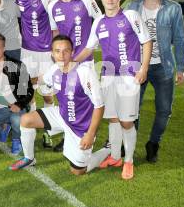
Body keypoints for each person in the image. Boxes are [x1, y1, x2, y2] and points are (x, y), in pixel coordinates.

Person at [75, 0, 152, 180]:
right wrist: (70, 62)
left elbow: (146, 41)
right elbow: (89, 48)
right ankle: (116, 156)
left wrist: (143, 68)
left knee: (127, 122)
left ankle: (129, 161)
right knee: (113, 118)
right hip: (108, 77)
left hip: (129, 77)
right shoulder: (99, 22)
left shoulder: (130, 15)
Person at [9, 35, 109, 174]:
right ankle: (29, 158)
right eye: (57, 51)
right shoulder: (55, 69)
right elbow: (41, 79)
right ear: (52, 53)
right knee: (26, 120)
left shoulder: (84, 72)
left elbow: (99, 106)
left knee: (78, 171)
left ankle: (108, 148)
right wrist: (21, 81)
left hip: (80, 126)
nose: (61, 55)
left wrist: (90, 134)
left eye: (66, 51)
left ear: (72, 52)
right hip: (61, 115)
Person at [127, 0, 184, 163]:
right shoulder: (132, 7)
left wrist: (181, 67)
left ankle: (153, 143)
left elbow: (179, 38)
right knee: (132, 109)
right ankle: (129, 144)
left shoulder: (173, 8)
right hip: (137, 66)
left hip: (163, 67)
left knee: (164, 110)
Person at [47, 0, 102, 151]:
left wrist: (90, 46)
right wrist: (56, 55)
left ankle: (89, 135)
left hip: (84, 61)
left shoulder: (86, 0)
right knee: (66, 101)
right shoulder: (52, 6)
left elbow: (100, 22)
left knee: (88, 102)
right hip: (64, 62)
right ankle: (68, 136)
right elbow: (55, 32)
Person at [10, 0, 55, 114]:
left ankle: (49, 127)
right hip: (27, 51)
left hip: (46, 52)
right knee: (29, 91)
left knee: (48, 94)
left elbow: (56, 22)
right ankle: (33, 121)